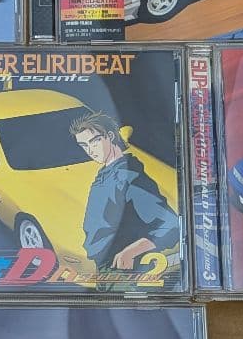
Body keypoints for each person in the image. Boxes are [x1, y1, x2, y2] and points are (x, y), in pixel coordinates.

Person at [69, 111, 179, 271]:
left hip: (123, 268)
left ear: (110, 136)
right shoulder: (106, 174)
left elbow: (170, 224)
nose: (90, 150)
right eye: (84, 145)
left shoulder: (126, 176)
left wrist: (130, 252)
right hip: (105, 265)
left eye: (95, 141)